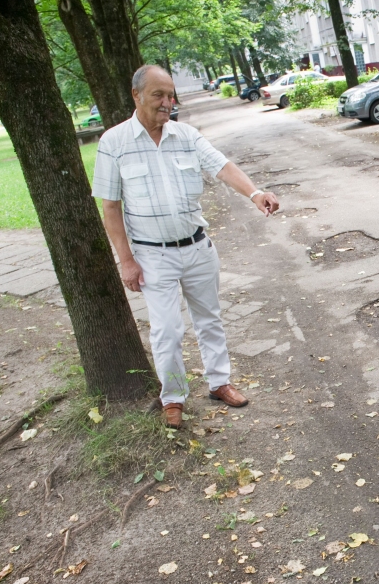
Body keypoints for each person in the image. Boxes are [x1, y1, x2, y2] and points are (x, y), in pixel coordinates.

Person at [92, 64, 280, 428]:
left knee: (209, 319)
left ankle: (219, 383)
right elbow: (110, 208)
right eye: (158, 95)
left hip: (197, 248)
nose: (167, 102)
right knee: (166, 331)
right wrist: (126, 260)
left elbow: (222, 167)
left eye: (170, 94)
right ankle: (174, 398)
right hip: (152, 255)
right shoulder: (113, 143)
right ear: (136, 96)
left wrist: (255, 193)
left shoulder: (186, 135)